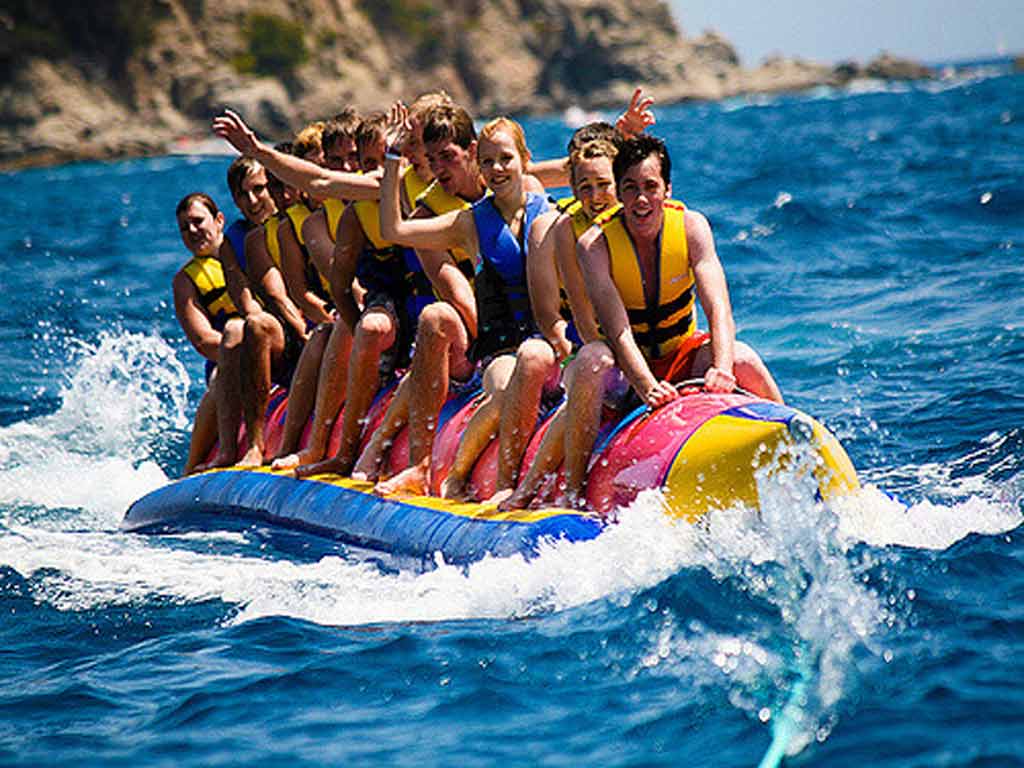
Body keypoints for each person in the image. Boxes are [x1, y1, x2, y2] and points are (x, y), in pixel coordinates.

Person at [574, 135, 783, 490]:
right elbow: (617, 328)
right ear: (619, 194)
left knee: (744, 359)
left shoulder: (691, 227)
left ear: (667, 189)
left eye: (650, 187)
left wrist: (721, 367)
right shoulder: (594, 245)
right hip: (624, 373)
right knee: (594, 359)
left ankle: (795, 447)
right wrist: (646, 387)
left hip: (680, 356)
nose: (641, 199)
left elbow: (718, 308)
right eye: (630, 188)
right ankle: (574, 488)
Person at [371, 111, 550, 497]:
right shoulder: (469, 223)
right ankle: (458, 474)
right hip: (502, 349)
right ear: (478, 166)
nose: (497, 168)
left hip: (549, 344)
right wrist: (391, 159)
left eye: (505, 158)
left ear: (525, 159)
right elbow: (394, 230)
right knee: (504, 391)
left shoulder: (549, 214)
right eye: (488, 162)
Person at [199, 156, 309, 468]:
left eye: (259, 189)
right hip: (274, 334)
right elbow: (246, 301)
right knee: (243, 327)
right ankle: (246, 446)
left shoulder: (296, 222)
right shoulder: (234, 241)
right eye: (242, 194)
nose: (252, 200)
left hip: (309, 325)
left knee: (246, 327)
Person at [172, 192, 239, 474]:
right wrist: (242, 347)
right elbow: (202, 340)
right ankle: (192, 466)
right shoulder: (186, 281)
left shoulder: (248, 250)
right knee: (219, 378)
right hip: (226, 358)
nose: (192, 232)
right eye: (184, 228)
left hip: (272, 342)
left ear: (219, 220)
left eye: (198, 222)